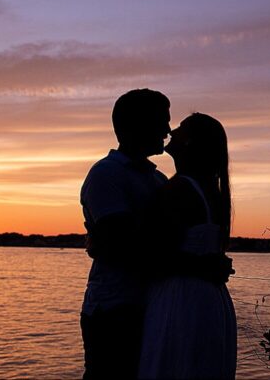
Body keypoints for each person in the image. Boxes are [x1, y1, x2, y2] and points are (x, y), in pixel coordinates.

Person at [79, 89, 172, 379]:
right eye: (162, 121)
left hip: (150, 306)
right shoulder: (106, 174)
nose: (168, 130)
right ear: (136, 125)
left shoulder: (158, 179)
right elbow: (121, 247)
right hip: (114, 309)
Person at [139, 113, 237, 380]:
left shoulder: (178, 189)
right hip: (210, 300)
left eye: (180, 128)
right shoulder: (211, 191)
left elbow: (157, 258)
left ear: (191, 141)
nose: (172, 130)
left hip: (181, 301)